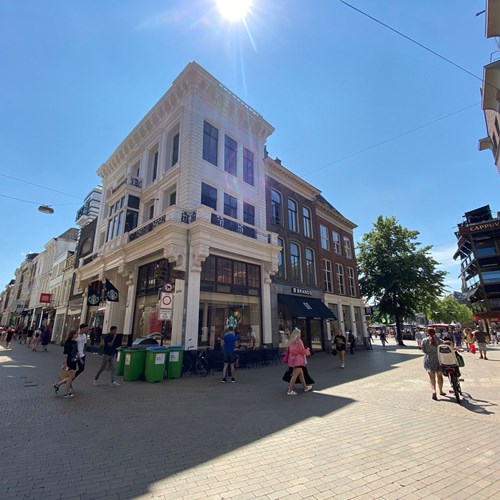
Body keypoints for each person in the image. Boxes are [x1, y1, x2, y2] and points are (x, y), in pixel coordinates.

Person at [285, 328, 312, 396]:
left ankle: (305, 387)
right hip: (298, 360)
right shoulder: (299, 341)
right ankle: (290, 390)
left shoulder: (291, 342)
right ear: (297, 334)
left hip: (293, 360)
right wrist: (308, 351)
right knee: (295, 376)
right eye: (299, 333)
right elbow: (302, 350)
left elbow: (291, 351)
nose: (300, 334)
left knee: (301, 374)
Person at [53, 330, 80, 398]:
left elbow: (76, 351)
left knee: (72, 376)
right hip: (69, 361)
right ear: (73, 334)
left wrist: (80, 359)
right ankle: (67, 392)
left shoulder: (75, 342)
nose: (77, 335)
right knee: (70, 377)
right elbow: (66, 353)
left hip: (74, 360)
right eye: (76, 334)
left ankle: (57, 385)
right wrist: (65, 363)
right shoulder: (68, 342)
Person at [421, 328, 445, 401]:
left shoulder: (424, 341)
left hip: (428, 359)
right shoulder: (440, 341)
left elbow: (423, 350)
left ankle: (434, 391)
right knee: (439, 376)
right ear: (435, 333)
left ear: (427, 333)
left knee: (432, 377)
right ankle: (441, 391)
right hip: (438, 359)